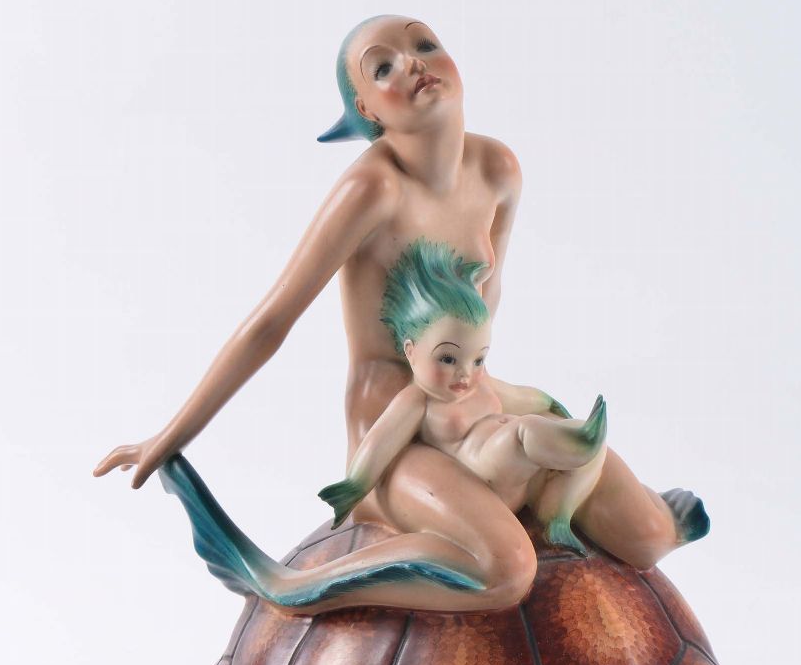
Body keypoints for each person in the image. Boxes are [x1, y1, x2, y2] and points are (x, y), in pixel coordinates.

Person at [95, 14, 708, 614]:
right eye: (382, 67)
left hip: (467, 395)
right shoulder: (371, 190)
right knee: (504, 569)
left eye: (425, 44)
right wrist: (171, 436)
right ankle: (295, 587)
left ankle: (650, 510)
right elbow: (270, 323)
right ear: (367, 110)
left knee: (648, 538)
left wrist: (499, 399)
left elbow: (486, 300)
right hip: (394, 426)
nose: (413, 62)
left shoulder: (498, 169)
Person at [157, 239, 611, 611]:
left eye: (478, 359)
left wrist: (549, 402)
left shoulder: (481, 385)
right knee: (522, 439)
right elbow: (380, 442)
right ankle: (305, 587)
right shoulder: (416, 401)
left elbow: (525, 395)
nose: (465, 374)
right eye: (447, 359)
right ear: (411, 351)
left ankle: (561, 509)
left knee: (558, 439)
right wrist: (355, 485)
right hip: (478, 466)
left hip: (506, 476)